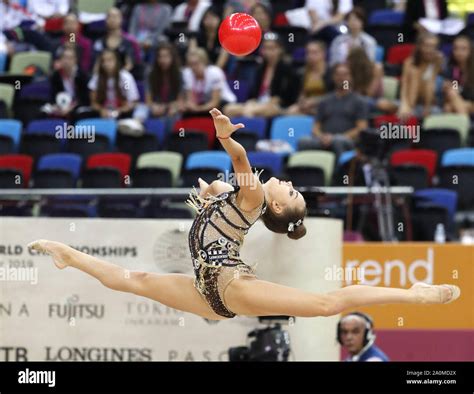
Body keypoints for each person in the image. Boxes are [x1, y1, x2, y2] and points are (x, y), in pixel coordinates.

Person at [28, 108, 460, 321]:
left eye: (289, 190)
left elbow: (240, 164)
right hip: (207, 291)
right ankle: (67, 253)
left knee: (327, 303)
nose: (286, 182)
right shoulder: (241, 200)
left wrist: (226, 140)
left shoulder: (253, 198)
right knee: (132, 281)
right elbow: (224, 190)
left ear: (276, 205)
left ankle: (415, 294)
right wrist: (214, 193)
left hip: (228, 287)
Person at [297, 63, 369, 157]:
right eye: (338, 74)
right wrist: (321, 137)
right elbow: (315, 126)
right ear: (333, 77)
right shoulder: (325, 101)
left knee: (337, 141)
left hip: (346, 140)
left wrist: (335, 138)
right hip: (324, 140)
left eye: (345, 74)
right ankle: (307, 171)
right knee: (303, 141)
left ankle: (337, 171)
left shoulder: (358, 101)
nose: (341, 78)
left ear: (351, 77)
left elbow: (361, 128)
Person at [224, 32, 297, 118]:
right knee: (228, 109)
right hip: (258, 103)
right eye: (266, 48)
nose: (268, 52)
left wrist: (273, 101)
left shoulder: (287, 69)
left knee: (251, 112)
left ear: (280, 49)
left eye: (272, 48)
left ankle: (247, 130)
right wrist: (251, 102)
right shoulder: (260, 69)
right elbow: (253, 94)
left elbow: (286, 97)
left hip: (275, 106)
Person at [398, 32, 443, 119]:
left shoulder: (437, 60)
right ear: (419, 46)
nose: (429, 50)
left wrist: (428, 107)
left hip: (428, 100)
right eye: (427, 46)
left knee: (429, 83)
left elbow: (432, 83)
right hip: (410, 97)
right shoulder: (409, 62)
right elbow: (404, 85)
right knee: (414, 73)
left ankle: (424, 113)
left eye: (433, 46)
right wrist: (404, 104)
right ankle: (409, 109)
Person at [182, 47, 236, 116]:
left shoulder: (215, 72)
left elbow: (215, 103)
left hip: (223, 102)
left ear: (204, 62)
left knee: (224, 111)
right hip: (204, 104)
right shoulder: (187, 73)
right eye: (190, 64)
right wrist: (189, 105)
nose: (193, 67)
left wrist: (197, 109)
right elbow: (190, 100)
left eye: (196, 64)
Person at [88, 48, 140, 119]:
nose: (106, 64)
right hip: (103, 111)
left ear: (116, 61)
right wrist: (101, 110)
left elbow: (132, 101)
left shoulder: (125, 79)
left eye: (109, 60)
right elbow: (93, 103)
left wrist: (119, 111)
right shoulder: (96, 78)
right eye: (103, 61)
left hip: (122, 112)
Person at [92, 7, 142, 78]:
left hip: (122, 79)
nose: (112, 19)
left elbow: (130, 65)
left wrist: (115, 78)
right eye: (109, 16)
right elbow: (96, 65)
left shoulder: (130, 41)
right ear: (105, 20)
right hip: (103, 79)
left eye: (115, 16)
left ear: (121, 19)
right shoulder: (99, 42)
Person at [287, 40, 332, 116]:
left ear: (323, 54)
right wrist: (301, 102)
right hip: (307, 106)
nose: (310, 56)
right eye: (308, 53)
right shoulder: (302, 73)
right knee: (291, 111)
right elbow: (300, 93)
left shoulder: (331, 72)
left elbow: (335, 95)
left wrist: (315, 101)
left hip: (326, 106)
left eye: (314, 53)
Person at [347, 47, 398, 114]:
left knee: (383, 104)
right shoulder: (347, 70)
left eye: (350, 61)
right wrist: (349, 76)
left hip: (373, 99)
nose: (348, 63)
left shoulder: (376, 68)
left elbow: (370, 93)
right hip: (354, 100)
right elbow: (346, 91)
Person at [48, 46, 90, 119]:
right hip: (61, 105)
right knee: (45, 111)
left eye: (70, 58)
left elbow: (84, 99)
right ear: (60, 60)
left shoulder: (82, 76)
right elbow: (54, 95)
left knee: (78, 113)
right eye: (64, 58)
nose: (66, 61)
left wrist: (71, 108)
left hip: (77, 106)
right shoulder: (56, 76)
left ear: (75, 60)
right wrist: (59, 107)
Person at [146, 42, 184, 120]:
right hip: (156, 106)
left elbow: (180, 100)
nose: (162, 60)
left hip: (172, 106)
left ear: (172, 58)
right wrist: (153, 106)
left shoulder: (180, 74)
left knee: (174, 114)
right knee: (142, 112)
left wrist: (170, 106)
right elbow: (148, 100)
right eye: (160, 57)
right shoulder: (150, 73)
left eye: (166, 56)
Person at [189, 5, 229, 69]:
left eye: (213, 17)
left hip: (218, 72)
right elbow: (192, 55)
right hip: (199, 70)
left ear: (219, 19)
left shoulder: (225, 37)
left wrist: (212, 73)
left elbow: (222, 60)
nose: (210, 20)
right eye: (207, 17)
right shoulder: (196, 37)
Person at [442, 35, 474, 115]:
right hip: (461, 103)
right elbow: (455, 90)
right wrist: (447, 88)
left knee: (450, 105)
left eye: (463, 49)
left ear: (470, 51)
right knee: (448, 106)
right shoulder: (453, 70)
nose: (459, 52)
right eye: (456, 48)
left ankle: (464, 124)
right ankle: (464, 124)